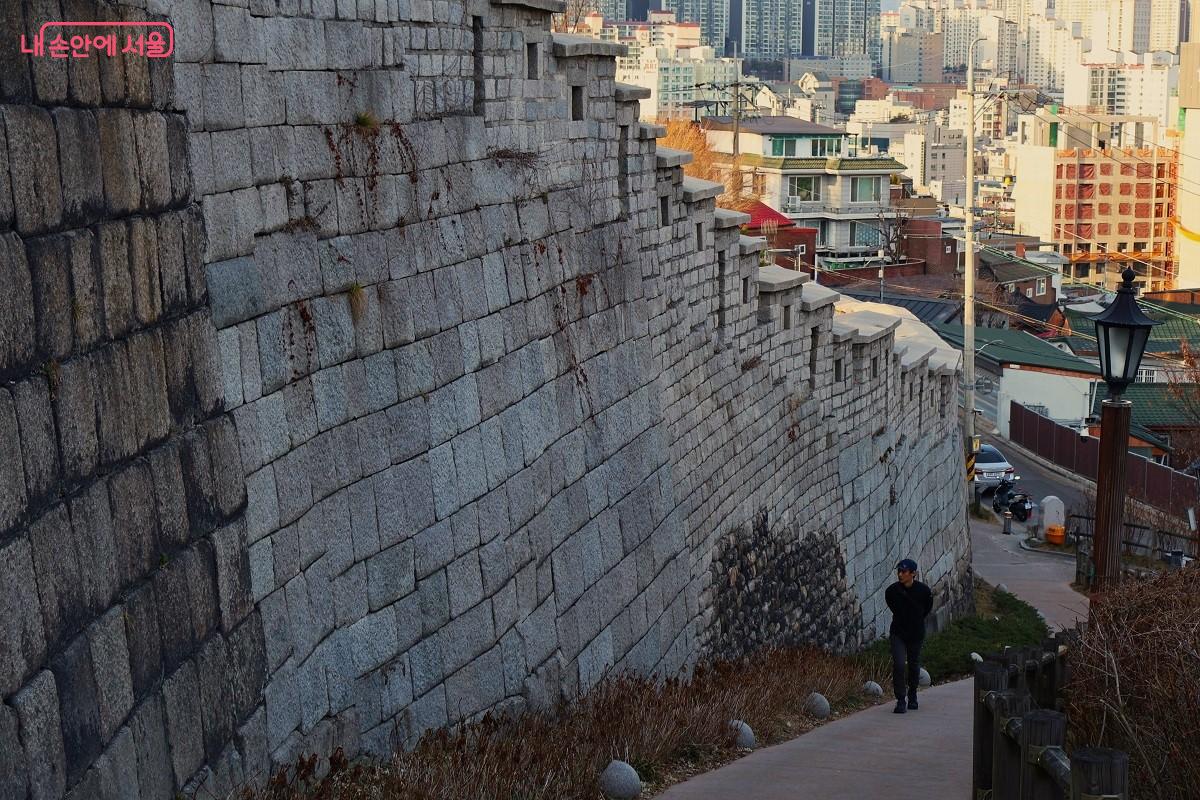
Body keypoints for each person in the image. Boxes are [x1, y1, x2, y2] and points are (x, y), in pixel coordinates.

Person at [885, 558, 933, 714]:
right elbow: (893, 606)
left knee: (913, 665)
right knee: (899, 664)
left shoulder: (924, 591)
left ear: (913, 573)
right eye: (899, 571)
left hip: (916, 633)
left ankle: (913, 694)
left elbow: (927, 609)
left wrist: (915, 620)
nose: (900, 574)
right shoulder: (892, 591)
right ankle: (900, 699)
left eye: (904, 571)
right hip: (898, 633)